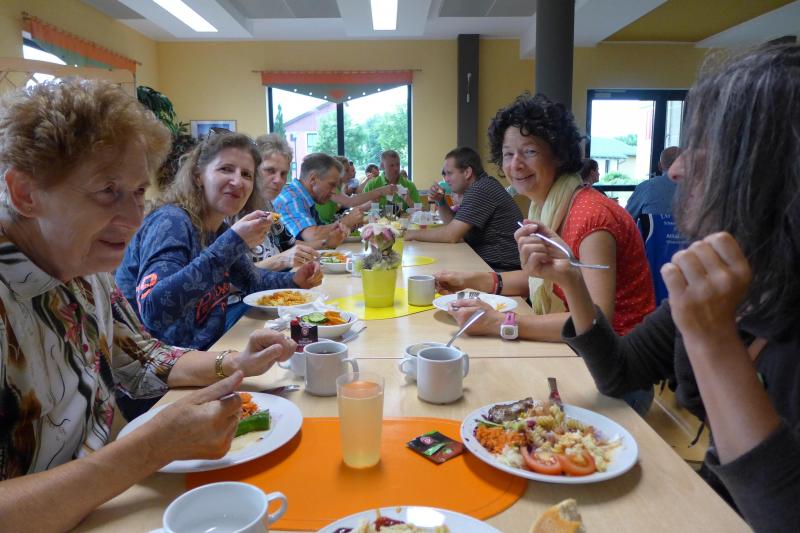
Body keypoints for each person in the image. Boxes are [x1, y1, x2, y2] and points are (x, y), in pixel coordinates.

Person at [517, 44, 800, 532]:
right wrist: (571, 280)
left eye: (707, 147)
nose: (676, 170)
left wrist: (713, 342)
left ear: (772, 171)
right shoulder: (744, 279)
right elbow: (621, 373)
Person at [0, 79, 297, 531]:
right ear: (25, 193)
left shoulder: (86, 269)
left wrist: (236, 362)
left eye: (139, 192)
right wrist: (147, 450)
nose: (135, 218)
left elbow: (143, 355)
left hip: (104, 504)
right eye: (107, 190)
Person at [436, 93, 655, 343]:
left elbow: (597, 320)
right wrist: (468, 281)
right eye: (508, 154)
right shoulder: (547, 207)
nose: (515, 165)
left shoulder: (592, 217)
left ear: (559, 155)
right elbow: (542, 278)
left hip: (618, 354)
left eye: (529, 151)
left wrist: (499, 322)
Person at [115, 131, 323, 352]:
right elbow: (154, 311)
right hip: (160, 362)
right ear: (198, 176)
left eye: (246, 174)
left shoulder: (217, 228)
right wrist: (233, 242)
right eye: (226, 169)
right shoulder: (171, 221)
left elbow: (252, 281)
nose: (237, 181)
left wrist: (295, 280)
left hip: (206, 351)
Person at [405, 147, 522, 271]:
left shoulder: (481, 189)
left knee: (432, 271)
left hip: (502, 269)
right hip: (491, 263)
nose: (446, 179)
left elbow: (451, 235)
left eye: (449, 173)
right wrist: (440, 200)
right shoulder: (482, 185)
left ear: (467, 172)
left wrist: (411, 234)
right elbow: (453, 226)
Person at [249, 133, 319, 270]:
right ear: (252, 169)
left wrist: (326, 242)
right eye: (270, 171)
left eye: (283, 174)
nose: (278, 180)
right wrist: (281, 260)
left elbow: (290, 245)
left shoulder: (268, 207)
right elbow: (228, 279)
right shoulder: (233, 212)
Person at [273, 152, 362, 247]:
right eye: (331, 185)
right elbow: (313, 236)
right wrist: (347, 221)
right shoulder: (292, 198)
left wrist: (349, 226)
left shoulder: (306, 199)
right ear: (313, 179)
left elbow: (324, 233)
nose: (334, 191)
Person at [315, 155, 395, 224]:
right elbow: (351, 202)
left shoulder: (338, 188)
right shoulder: (331, 187)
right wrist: (380, 191)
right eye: (346, 170)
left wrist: (372, 202)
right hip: (321, 226)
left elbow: (350, 203)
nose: (350, 173)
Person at [625, 146, 680, 219]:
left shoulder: (646, 187)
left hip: (652, 227)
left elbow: (626, 218)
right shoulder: (694, 189)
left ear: (659, 166)